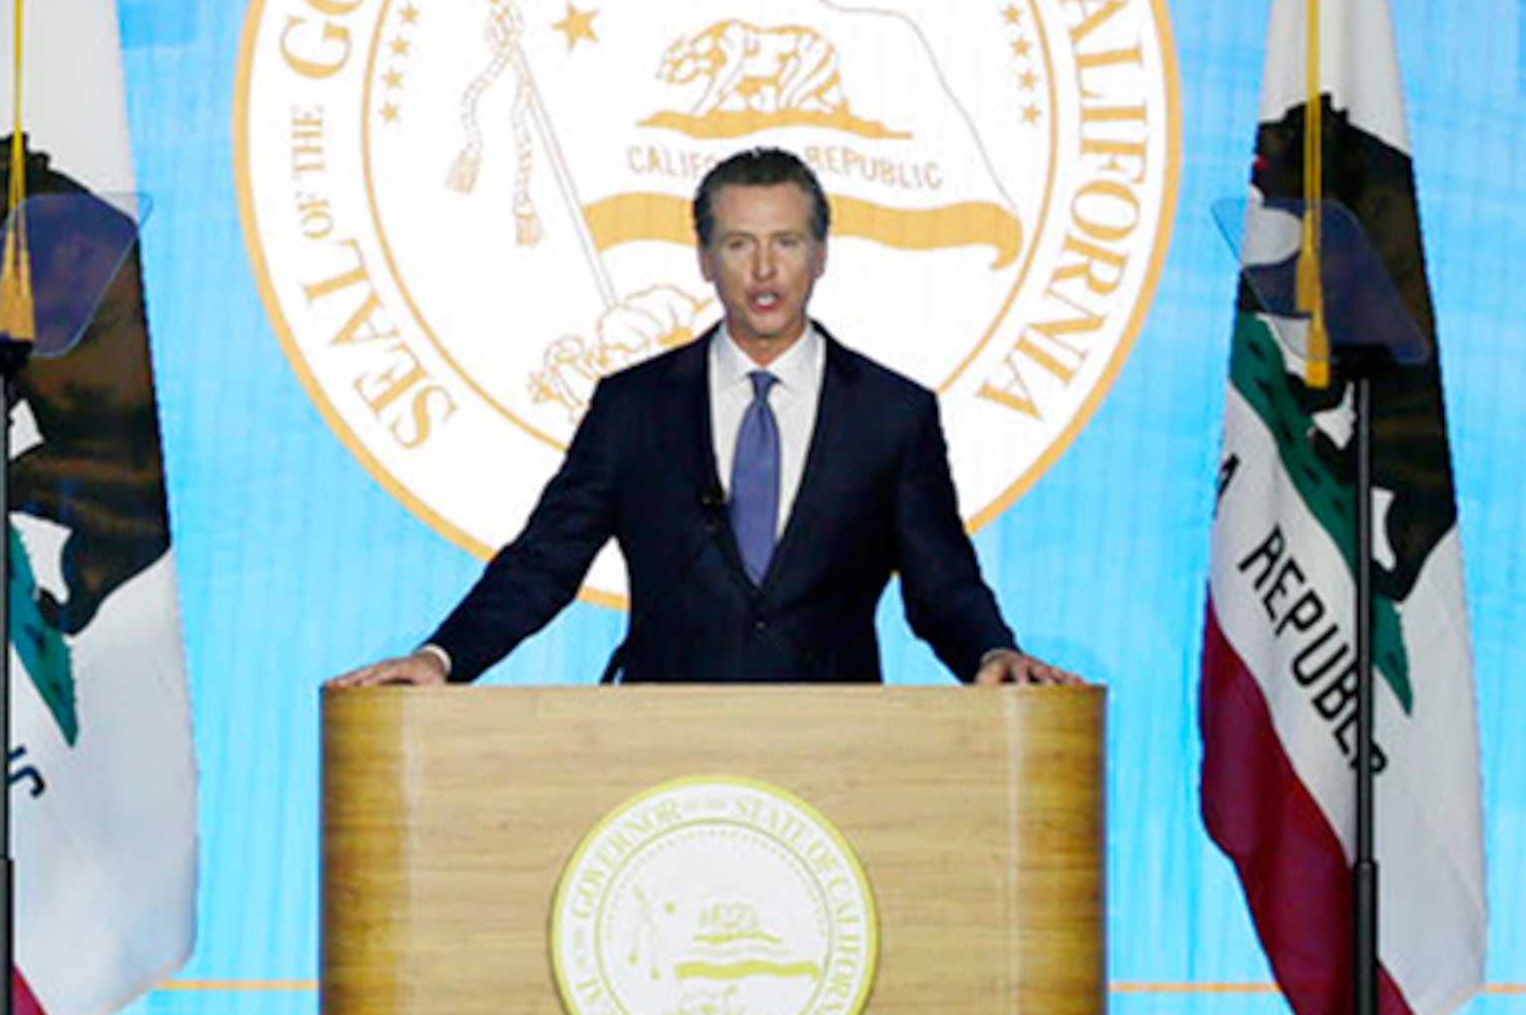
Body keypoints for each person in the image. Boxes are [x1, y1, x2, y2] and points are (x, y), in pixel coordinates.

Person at [329, 148, 1081, 692]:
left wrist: (991, 653)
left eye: (786, 243)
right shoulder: (634, 407)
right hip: (665, 755)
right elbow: (545, 562)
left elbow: (941, 581)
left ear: (821, 255)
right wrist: (441, 658)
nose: (764, 269)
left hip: (836, 755)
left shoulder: (891, 414)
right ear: (704, 259)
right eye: (739, 244)